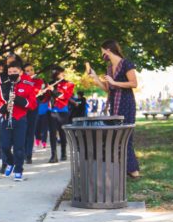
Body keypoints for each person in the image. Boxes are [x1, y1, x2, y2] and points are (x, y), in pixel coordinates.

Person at [87, 39, 140, 178]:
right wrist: (96, 78)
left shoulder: (126, 63)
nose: (102, 54)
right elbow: (108, 88)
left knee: (126, 135)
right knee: (116, 136)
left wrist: (115, 82)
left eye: (102, 51)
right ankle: (122, 169)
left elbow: (134, 83)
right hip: (114, 105)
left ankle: (133, 171)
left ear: (108, 50)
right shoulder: (109, 68)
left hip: (126, 103)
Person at [0, 59, 36, 181]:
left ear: (21, 72)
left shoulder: (28, 84)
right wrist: (5, 107)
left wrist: (17, 99)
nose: (12, 73)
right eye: (10, 71)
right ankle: (10, 162)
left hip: (20, 118)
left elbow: (32, 104)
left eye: (15, 71)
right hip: (7, 118)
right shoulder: (4, 86)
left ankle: (18, 170)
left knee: (19, 147)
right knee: (5, 146)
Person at [40, 65, 74, 163]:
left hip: (62, 111)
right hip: (51, 111)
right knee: (52, 133)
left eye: (59, 72)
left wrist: (52, 90)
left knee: (62, 133)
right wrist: (42, 92)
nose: (56, 74)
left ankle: (63, 152)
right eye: (54, 72)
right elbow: (44, 99)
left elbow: (63, 96)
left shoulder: (68, 84)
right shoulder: (50, 84)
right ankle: (53, 155)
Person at [22, 63, 44, 164]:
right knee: (22, 131)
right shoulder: (21, 80)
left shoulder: (38, 81)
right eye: (27, 70)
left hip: (33, 108)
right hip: (22, 108)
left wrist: (28, 81)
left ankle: (28, 155)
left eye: (31, 70)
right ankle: (21, 154)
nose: (30, 72)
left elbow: (35, 91)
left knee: (30, 131)